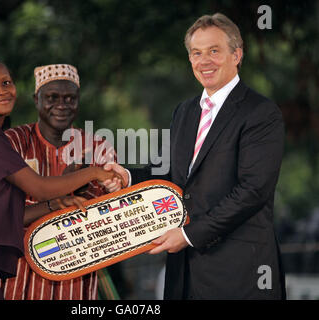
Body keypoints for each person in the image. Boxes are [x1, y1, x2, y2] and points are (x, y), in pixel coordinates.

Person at [104, 13, 286, 299]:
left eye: (214, 51)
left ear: (236, 55)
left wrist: (189, 235)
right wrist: (126, 176)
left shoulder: (261, 113)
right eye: (196, 53)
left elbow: (252, 191)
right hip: (183, 275)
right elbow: (167, 173)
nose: (204, 61)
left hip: (239, 274)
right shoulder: (185, 111)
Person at [0, 57, 120, 300]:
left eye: (6, 82)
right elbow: (38, 187)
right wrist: (92, 172)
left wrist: (53, 205)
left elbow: (4, 213)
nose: (1, 91)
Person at [2, 64, 121, 300]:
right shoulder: (13, 142)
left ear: (78, 102)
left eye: (70, 98)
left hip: (75, 275)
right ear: (37, 100)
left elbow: (110, 216)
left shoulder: (98, 148)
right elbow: (0, 212)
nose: (61, 105)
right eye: (52, 97)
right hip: (18, 273)